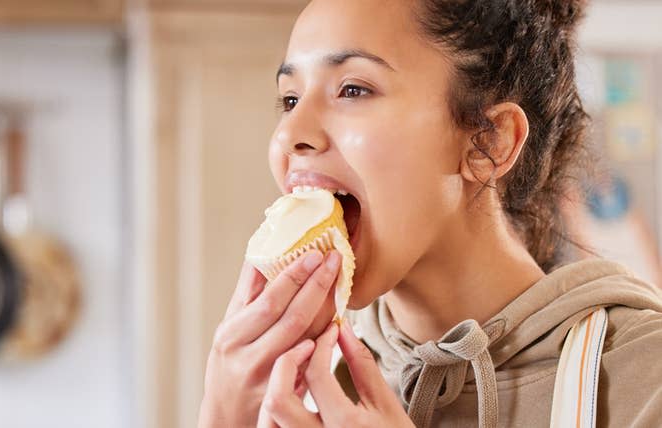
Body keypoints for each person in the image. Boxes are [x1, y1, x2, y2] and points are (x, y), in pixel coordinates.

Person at [198, 0, 662, 426]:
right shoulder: (296, 388)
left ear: (490, 141)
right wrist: (223, 414)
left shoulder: (644, 379)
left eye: (353, 89)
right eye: (290, 99)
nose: (289, 134)